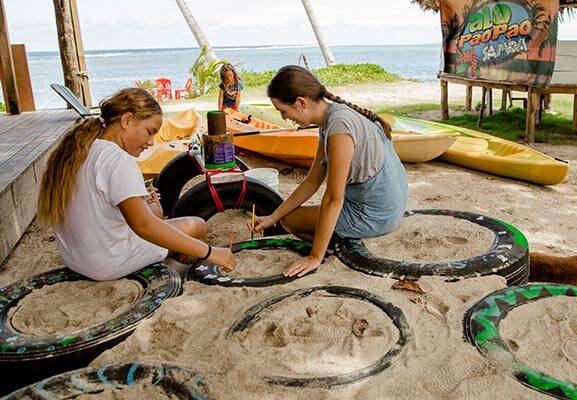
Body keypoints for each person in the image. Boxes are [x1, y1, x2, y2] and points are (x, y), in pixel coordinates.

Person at [37, 88, 236, 281]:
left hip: (76, 259)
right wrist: (210, 251)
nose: (150, 142)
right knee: (196, 227)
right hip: (106, 262)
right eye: (149, 132)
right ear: (126, 120)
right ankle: (169, 277)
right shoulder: (118, 160)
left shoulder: (80, 149)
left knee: (171, 226)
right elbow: (144, 226)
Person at [251, 65, 408, 277]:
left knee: (290, 221)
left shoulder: (339, 126)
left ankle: (334, 242)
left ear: (301, 102)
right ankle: (333, 237)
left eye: (283, 111)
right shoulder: (332, 118)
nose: (286, 118)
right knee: (284, 216)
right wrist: (273, 216)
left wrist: (315, 256)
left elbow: (334, 199)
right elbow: (312, 181)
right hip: (391, 205)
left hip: (375, 214)